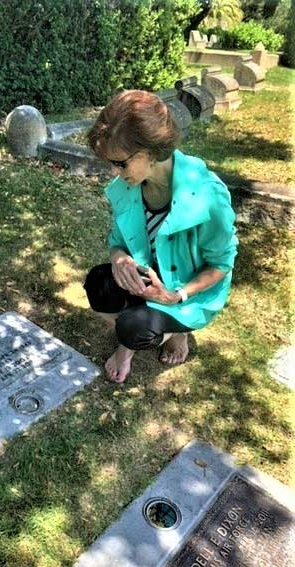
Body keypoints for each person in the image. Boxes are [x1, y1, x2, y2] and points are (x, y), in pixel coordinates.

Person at [84, 90, 238, 383]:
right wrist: (120, 261)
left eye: (120, 163)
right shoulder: (129, 187)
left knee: (133, 329)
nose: (114, 172)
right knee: (98, 285)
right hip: (149, 277)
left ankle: (176, 332)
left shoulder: (207, 195)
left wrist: (175, 296)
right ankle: (157, 321)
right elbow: (117, 242)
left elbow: (222, 263)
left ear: (150, 151)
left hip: (186, 289)